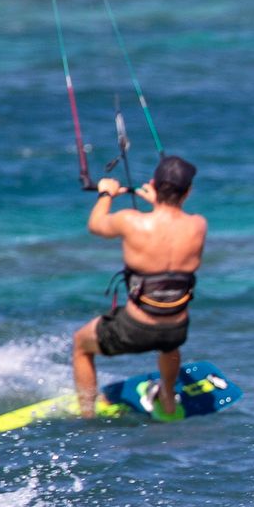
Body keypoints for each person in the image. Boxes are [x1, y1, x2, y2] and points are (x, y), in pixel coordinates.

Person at [71, 153, 206, 418]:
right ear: (187, 192)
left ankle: (87, 413)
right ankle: (167, 398)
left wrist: (106, 193)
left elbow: (96, 225)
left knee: (80, 344)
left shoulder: (130, 221)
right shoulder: (198, 225)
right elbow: (169, 227)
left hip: (135, 328)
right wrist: (160, 204)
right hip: (176, 329)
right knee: (169, 345)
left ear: (154, 185)